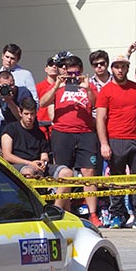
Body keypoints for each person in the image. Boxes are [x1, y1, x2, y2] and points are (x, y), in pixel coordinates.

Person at [96, 54, 136, 229]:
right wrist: (104, 143)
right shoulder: (106, 91)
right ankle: (117, 216)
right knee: (116, 180)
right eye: (116, 66)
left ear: (128, 68)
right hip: (115, 139)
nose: (120, 70)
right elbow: (101, 118)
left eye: (123, 66)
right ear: (112, 68)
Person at [40, 54, 100, 223]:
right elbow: (43, 103)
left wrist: (87, 88)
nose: (73, 78)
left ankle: (93, 214)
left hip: (85, 132)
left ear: (81, 72)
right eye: (70, 74)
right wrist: (57, 85)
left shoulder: (88, 86)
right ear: (64, 72)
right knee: (64, 172)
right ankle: (66, 213)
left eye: (76, 74)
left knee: (88, 172)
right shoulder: (58, 86)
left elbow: (95, 103)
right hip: (61, 132)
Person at [2, 99, 69, 180]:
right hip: (18, 166)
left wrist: (43, 162)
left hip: (37, 166)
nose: (29, 117)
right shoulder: (10, 129)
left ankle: (55, 192)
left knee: (66, 172)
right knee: (29, 171)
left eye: (32, 114)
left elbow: (44, 155)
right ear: (20, 113)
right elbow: (7, 156)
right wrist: (30, 163)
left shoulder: (40, 134)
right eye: (26, 114)